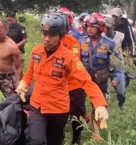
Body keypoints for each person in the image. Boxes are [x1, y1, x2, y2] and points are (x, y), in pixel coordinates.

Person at [16, 14, 108, 145]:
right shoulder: (36, 51)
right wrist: (23, 83)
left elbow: (86, 81)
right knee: (36, 141)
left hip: (58, 108)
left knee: (55, 141)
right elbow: (30, 72)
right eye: (44, 34)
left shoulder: (69, 57)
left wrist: (99, 104)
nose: (47, 39)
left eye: (52, 35)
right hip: (38, 105)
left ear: (61, 36)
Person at [54, 12, 107, 145]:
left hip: (83, 82)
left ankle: (82, 138)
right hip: (62, 85)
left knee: (81, 113)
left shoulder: (74, 42)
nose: (89, 29)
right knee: (61, 115)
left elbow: (72, 60)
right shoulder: (47, 44)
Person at [79, 13, 126, 110]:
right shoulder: (81, 41)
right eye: (88, 26)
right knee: (79, 105)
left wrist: (117, 78)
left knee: (99, 106)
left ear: (100, 28)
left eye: (93, 27)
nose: (89, 29)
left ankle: (97, 123)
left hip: (100, 80)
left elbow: (118, 63)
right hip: (83, 79)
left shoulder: (109, 43)